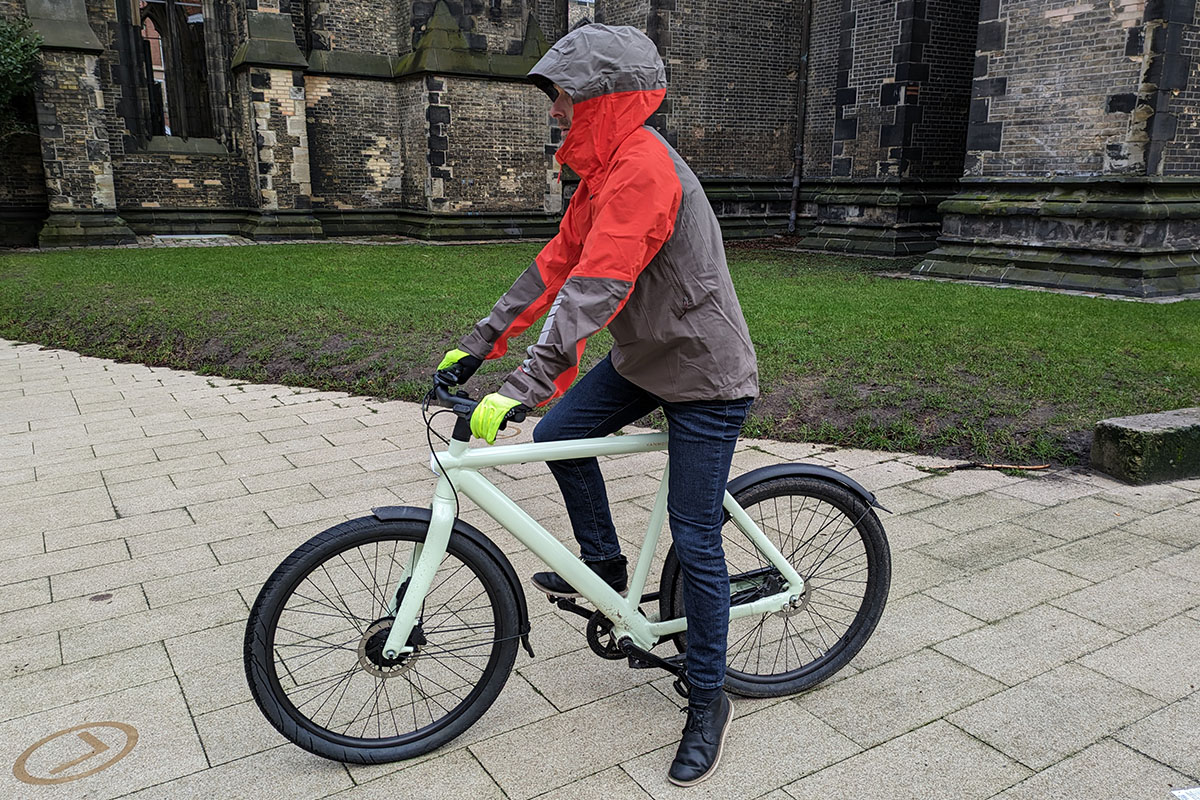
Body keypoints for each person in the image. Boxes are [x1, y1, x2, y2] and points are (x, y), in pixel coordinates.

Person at [436, 23, 758, 787]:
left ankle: (708, 699)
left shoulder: (646, 170)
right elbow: (555, 264)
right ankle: (606, 573)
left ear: (607, 98)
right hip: (646, 360)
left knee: (696, 537)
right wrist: (480, 345)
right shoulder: (607, 170)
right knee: (562, 435)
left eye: (564, 97)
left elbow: (598, 286)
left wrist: (520, 384)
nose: (555, 111)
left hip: (706, 377)